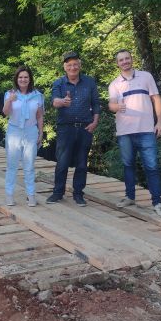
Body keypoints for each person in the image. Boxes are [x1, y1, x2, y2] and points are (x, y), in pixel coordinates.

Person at [107, 49, 161, 217]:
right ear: (118, 63)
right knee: (128, 165)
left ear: (131, 59)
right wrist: (116, 107)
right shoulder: (115, 84)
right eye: (121, 60)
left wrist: (160, 122)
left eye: (127, 58)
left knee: (152, 166)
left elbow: (156, 99)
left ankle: (157, 203)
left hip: (146, 130)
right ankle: (130, 197)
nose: (125, 62)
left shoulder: (146, 77)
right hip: (125, 132)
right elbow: (111, 105)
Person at [46, 51, 101, 206]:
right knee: (62, 162)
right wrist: (63, 101)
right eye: (69, 65)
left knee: (82, 163)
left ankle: (78, 194)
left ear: (80, 65)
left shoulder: (89, 82)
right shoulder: (59, 83)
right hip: (66, 128)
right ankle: (58, 192)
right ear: (65, 67)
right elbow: (54, 101)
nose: (73, 67)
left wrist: (95, 121)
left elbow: (96, 103)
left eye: (75, 64)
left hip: (85, 128)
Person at [3, 66, 44, 207]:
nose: (23, 79)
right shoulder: (10, 94)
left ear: (30, 79)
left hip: (31, 131)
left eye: (26, 77)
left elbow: (39, 116)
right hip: (14, 131)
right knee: (12, 165)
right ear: (16, 79)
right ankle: (9, 195)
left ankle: (31, 195)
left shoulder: (37, 95)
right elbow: (5, 112)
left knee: (29, 165)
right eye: (20, 77)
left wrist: (41, 132)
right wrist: (10, 100)